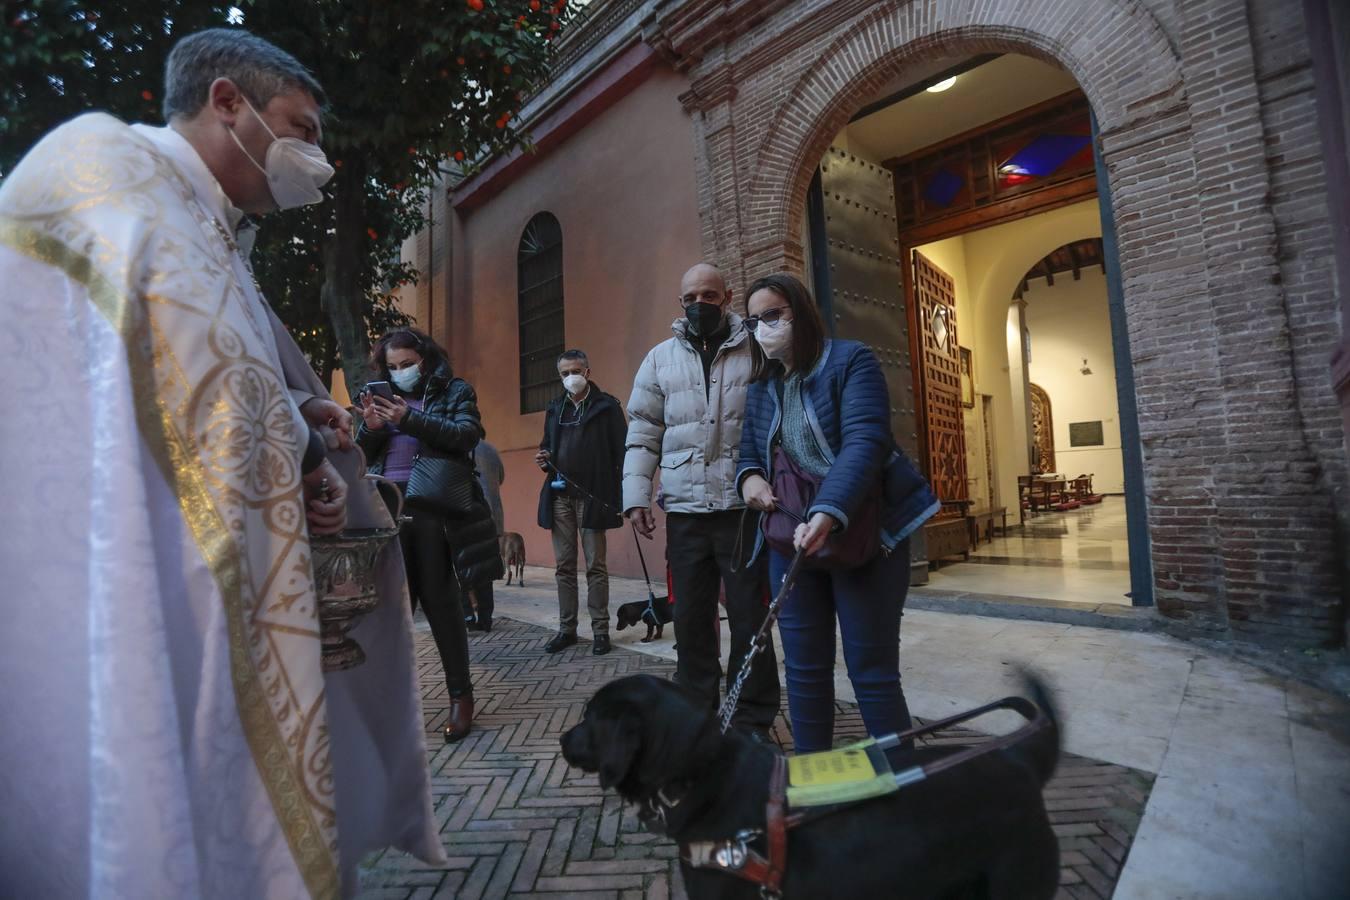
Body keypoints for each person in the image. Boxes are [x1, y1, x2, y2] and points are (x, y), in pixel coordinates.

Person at [0, 28, 442, 897]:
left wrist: (302, 423)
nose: (312, 155)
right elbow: (139, 386)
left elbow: (211, 385)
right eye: (299, 127)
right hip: (141, 562)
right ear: (227, 103)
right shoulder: (103, 166)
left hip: (228, 564)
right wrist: (292, 447)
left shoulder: (213, 232)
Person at [736, 273, 939, 753]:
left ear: (799, 312)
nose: (763, 328)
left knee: (871, 670)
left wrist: (829, 511)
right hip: (791, 538)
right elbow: (748, 454)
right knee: (804, 670)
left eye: (772, 315)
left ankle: (897, 781)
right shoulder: (762, 387)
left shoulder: (851, 360)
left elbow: (866, 441)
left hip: (865, 534)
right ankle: (814, 781)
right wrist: (751, 481)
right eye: (754, 320)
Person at [623, 263, 780, 738]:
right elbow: (643, 431)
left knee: (751, 618)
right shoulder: (658, 359)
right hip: (686, 512)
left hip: (742, 511)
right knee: (690, 619)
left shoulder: (756, 350)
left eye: (709, 296)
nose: (699, 304)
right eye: (691, 297)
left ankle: (751, 717)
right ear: (680, 302)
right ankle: (694, 711)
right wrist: (636, 496)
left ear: (727, 297)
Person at [357, 327, 500, 741]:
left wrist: (409, 418)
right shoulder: (379, 396)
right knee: (391, 610)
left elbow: (467, 435)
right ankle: (394, 702)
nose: (400, 372)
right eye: (392, 366)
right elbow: (361, 455)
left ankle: (461, 696)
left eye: (407, 364)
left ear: (425, 359)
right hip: (387, 504)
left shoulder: (454, 390)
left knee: (442, 602)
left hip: (434, 506)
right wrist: (370, 427)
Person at [535, 350, 627, 655]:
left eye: (575, 371)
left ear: (587, 371)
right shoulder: (554, 408)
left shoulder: (606, 406)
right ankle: (567, 630)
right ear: (559, 376)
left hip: (592, 496)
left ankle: (601, 631)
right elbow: (547, 445)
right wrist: (544, 458)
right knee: (564, 566)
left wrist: (619, 495)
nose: (570, 377)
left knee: (596, 566)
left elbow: (622, 452)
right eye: (564, 373)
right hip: (560, 495)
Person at [468, 436, 506, 632]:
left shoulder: (456, 445)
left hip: (468, 515)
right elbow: (500, 477)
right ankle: (485, 618)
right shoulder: (491, 449)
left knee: (462, 568)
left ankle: (467, 615)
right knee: (485, 571)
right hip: (492, 516)